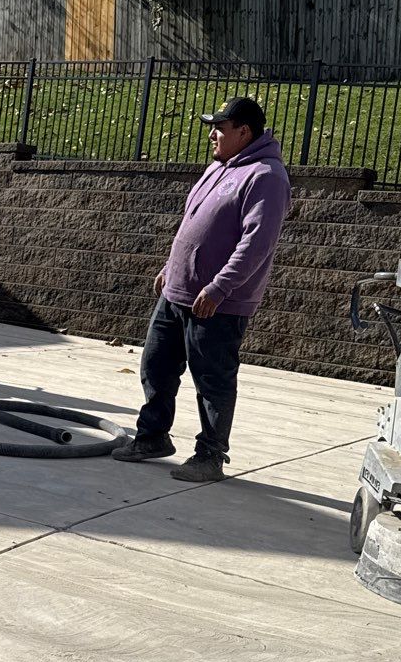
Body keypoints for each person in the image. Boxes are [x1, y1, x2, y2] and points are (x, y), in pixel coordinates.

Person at [114, 95, 291, 483]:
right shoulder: (219, 167)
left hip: (216, 303)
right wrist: (170, 269)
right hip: (177, 293)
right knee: (156, 367)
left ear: (244, 132)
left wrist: (219, 288)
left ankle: (210, 456)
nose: (213, 134)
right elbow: (192, 227)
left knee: (212, 381)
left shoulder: (266, 176)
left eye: (220, 128)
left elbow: (257, 243)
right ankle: (153, 437)